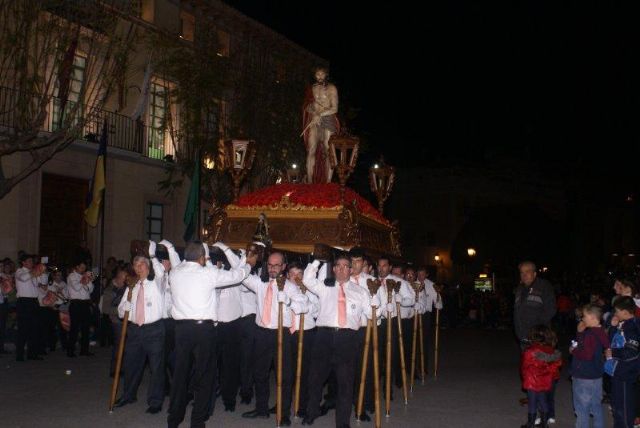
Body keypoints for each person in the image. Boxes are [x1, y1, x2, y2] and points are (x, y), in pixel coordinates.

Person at [167, 241, 250, 428]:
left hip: (181, 330)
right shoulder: (207, 273)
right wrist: (249, 263)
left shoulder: (175, 272)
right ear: (202, 258)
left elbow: (177, 263)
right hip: (203, 331)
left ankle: (173, 420)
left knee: (180, 375)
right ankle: (197, 421)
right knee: (205, 376)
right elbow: (237, 276)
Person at [301, 253, 381, 428]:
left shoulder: (361, 292)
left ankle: (343, 422)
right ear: (334, 268)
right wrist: (318, 259)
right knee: (315, 378)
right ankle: (311, 411)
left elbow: (373, 315)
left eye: (346, 266)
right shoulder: (324, 287)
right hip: (323, 336)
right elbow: (307, 279)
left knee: (346, 383)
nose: (342, 269)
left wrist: (376, 301)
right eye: (339, 266)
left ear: (351, 270)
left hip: (348, 339)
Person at [241, 251, 309, 426]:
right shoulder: (259, 283)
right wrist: (246, 258)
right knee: (259, 373)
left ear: (283, 266)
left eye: (276, 265)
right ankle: (262, 409)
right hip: (261, 333)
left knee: (284, 376)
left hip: (282, 334)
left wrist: (288, 301)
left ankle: (283, 413)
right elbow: (240, 274)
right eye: (269, 265)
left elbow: (303, 307)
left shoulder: (290, 287)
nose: (272, 268)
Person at [570, 304, 609, 428]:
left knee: (582, 409)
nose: (582, 318)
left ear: (593, 317)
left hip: (584, 376)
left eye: (585, 316)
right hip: (596, 375)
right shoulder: (601, 331)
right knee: (596, 406)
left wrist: (573, 350)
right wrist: (581, 333)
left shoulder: (590, 334)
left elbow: (586, 354)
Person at [605, 296, 640, 428]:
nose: (615, 314)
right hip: (618, 371)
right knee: (617, 406)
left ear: (625, 312)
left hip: (626, 373)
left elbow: (631, 352)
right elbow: (612, 341)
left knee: (624, 409)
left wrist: (613, 353)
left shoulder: (632, 327)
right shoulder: (623, 324)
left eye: (617, 311)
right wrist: (613, 327)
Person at [302, 67, 339, 183]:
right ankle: (309, 181)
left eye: (321, 74)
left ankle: (328, 182)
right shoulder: (311, 89)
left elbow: (334, 108)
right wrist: (313, 112)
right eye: (317, 75)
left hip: (327, 119)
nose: (319, 77)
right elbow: (307, 106)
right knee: (311, 149)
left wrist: (321, 114)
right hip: (315, 120)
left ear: (326, 75)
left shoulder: (331, 88)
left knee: (329, 151)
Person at [520, 325, 562, 428]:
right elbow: (554, 368)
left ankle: (530, 424)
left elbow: (525, 366)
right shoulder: (552, 352)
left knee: (532, 402)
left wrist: (524, 376)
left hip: (532, 381)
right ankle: (544, 423)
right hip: (545, 381)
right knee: (543, 401)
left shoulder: (530, 351)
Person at [514, 261, 556, 350]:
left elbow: (550, 310)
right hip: (523, 336)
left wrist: (536, 331)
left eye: (527, 272)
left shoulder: (544, 286)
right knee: (527, 362)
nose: (524, 275)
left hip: (539, 337)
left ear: (534, 273)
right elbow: (517, 311)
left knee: (540, 363)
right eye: (522, 272)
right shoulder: (519, 289)